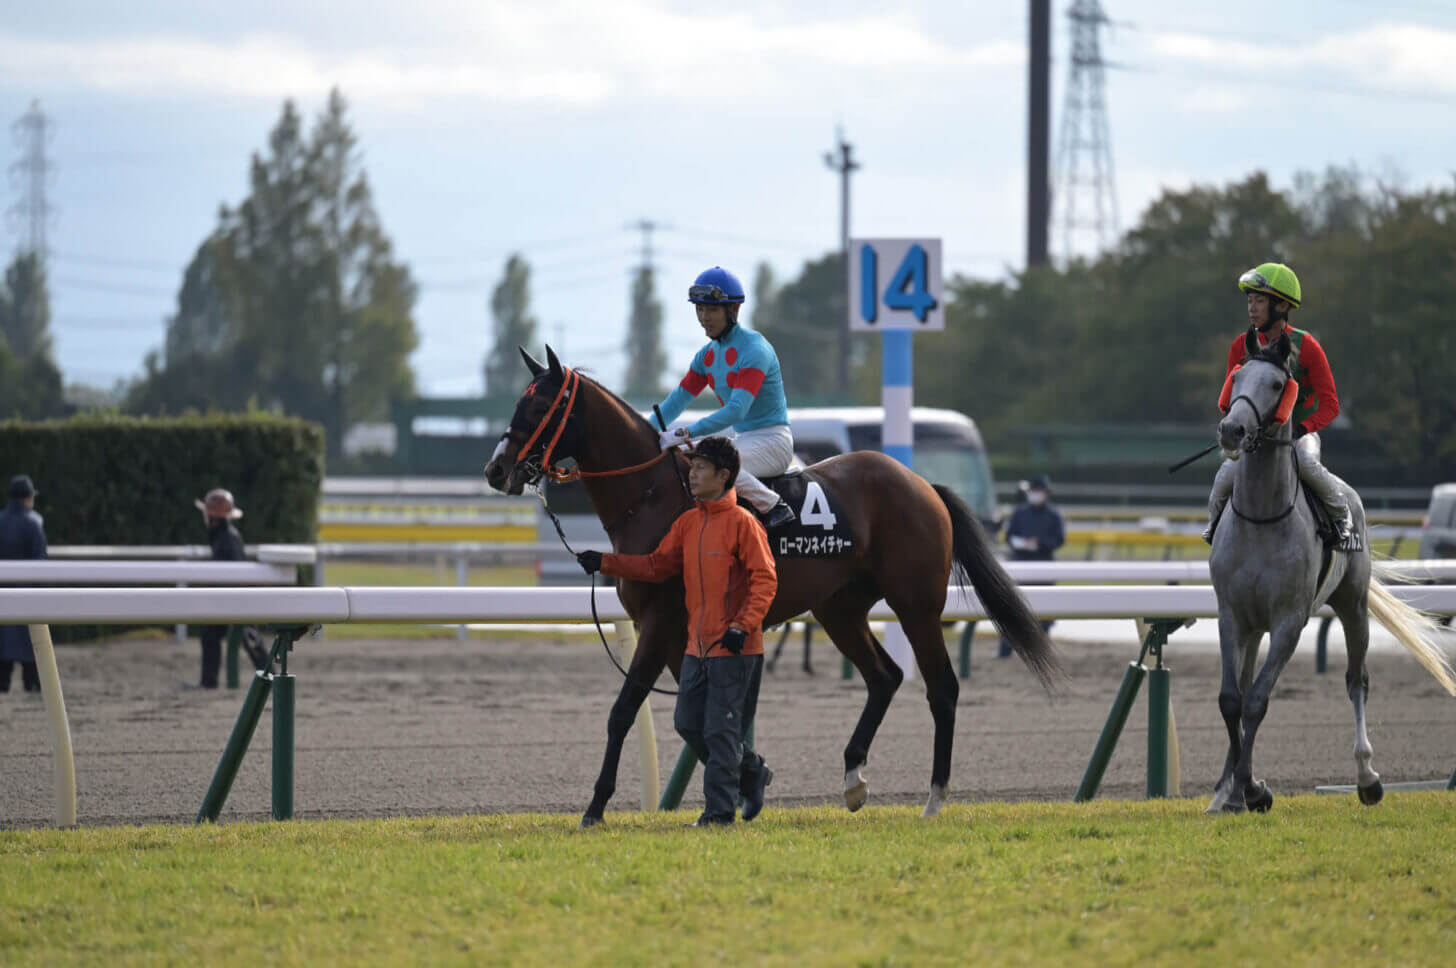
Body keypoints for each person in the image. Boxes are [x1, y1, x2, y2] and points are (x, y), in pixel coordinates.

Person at [576, 437, 778, 825]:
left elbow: (765, 582)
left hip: (736, 648)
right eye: (692, 467)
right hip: (696, 649)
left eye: (700, 468)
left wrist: (741, 626)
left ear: (724, 476)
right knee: (687, 722)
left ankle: (717, 816)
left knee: (720, 731)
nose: (692, 474)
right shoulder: (688, 523)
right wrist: (605, 562)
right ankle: (752, 770)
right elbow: (655, 566)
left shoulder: (744, 525)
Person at [1203, 263, 1353, 548]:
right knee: (1225, 476)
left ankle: (1341, 517)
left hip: (1298, 435)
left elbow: (1330, 404)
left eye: (1259, 300)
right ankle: (1215, 528)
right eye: (1249, 300)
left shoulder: (1307, 346)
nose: (1252, 308)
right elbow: (1231, 399)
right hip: (1254, 437)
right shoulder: (1240, 346)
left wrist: (1301, 428)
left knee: (1307, 462)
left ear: (1282, 304)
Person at [654, 266, 797, 529]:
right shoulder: (706, 356)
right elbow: (676, 401)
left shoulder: (755, 348)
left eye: (712, 310)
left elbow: (736, 412)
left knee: (712, 464)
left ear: (734, 311)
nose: (704, 317)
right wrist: (646, 430)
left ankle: (774, 506)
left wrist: (685, 433)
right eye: (699, 309)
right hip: (743, 440)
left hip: (774, 442)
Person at [999, 474, 1064, 658]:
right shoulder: (1019, 513)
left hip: (1044, 567)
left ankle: (1040, 654)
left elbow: (1059, 539)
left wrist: (1039, 544)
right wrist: (1019, 543)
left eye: (1038, 491)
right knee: (1012, 610)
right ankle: (1005, 651)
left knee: (1044, 614)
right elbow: (1009, 536)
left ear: (1046, 493)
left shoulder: (1054, 515)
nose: (1035, 494)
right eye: (1033, 491)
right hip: (1020, 566)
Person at [193, 488, 247, 689]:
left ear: (212, 517)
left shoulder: (226, 538)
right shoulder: (224, 536)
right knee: (212, 635)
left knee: (245, 637)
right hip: (233, 599)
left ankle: (209, 682)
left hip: (234, 601)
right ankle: (209, 681)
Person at [0, 475, 47, 694]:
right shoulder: (33, 525)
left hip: (3, 603)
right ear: (28, 498)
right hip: (29, 604)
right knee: (34, 673)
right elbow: (41, 568)